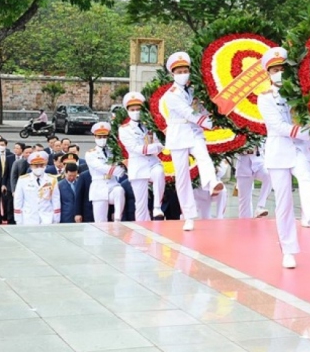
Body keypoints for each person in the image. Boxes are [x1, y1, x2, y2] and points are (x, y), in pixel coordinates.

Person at [257, 47, 310, 270]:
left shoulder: (298, 93)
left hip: (298, 148)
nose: (279, 72)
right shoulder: (265, 98)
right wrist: (309, 132)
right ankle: (288, 250)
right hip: (279, 150)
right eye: (275, 69)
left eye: (282, 68)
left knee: (307, 177)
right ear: (268, 73)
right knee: (284, 203)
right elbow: (277, 126)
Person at [162, 51, 223, 231]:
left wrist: (215, 120)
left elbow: (201, 109)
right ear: (173, 74)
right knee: (182, 177)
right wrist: (209, 124)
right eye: (179, 71)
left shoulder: (194, 90)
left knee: (203, 156)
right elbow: (188, 113)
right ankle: (188, 215)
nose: (183, 74)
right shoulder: (171, 94)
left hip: (194, 132)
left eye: (185, 70)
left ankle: (212, 183)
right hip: (179, 133)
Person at [117, 92, 166, 222]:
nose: (136, 112)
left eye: (138, 109)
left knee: (159, 172)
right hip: (138, 166)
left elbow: (160, 141)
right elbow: (135, 149)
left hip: (152, 162)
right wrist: (155, 147)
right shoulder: (124, 129)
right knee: (140, 204)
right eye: (132, 109)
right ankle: (142, 228)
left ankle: (157, 207)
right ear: (127, 111)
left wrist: (157, 146)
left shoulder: (149, 124)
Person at [85, 122, 126, 222]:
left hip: (112, 184)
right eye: (99, 137)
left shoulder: (113, 151)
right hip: (98, 187)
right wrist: (119, 170)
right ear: (95, 137)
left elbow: (120, 164)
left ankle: (117, 218)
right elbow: (102, 167)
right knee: (100, 221)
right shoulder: (90, 154)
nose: (102, 139)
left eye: (104, 136)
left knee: (119, 191)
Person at [13, 151, 60, 225]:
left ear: (45, 165)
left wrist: (56, 218)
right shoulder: (23, 180)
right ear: (31, 166)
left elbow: (55, 200)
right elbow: (18, 200)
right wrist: (18, 219)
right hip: (29, 217)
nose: (39, 168)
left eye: (41, 165)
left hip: (47, 217)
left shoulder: (52, 179)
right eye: (36, 165)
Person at [234, 144, 271, 218]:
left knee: (269, 176)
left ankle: (260, 207)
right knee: (245, 203)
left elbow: (265, 143)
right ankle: (245, 226)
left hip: (259, 162)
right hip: (243, 165)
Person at [0, 137, 16, 224]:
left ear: (6, 145)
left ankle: (6, 216)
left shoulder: (10, 155)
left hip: (6, 181)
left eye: (3, 145)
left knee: (6, 200)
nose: (1, 146)